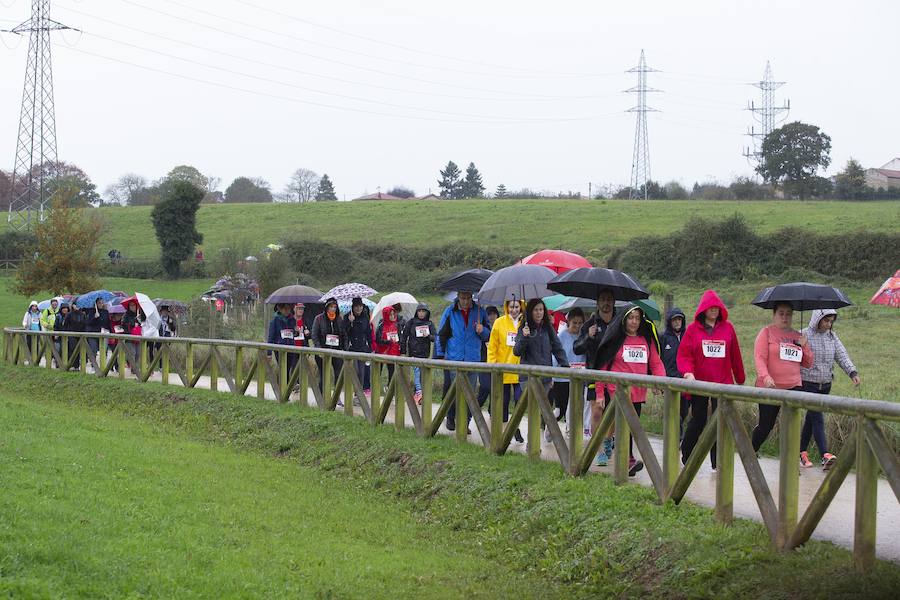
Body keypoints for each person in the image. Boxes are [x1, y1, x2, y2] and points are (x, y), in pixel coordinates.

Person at [592, 304, 665, 475]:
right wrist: (599, 393)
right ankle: (628, 460)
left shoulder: (646, 340)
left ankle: (615, 448)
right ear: (624, 320)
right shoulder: (615, 340)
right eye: (631, 318)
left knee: (633, 426)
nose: (634, 321)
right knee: (625, 424)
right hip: (616, 391)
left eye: (637, 318)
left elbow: (655, 363)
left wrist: (659, 382)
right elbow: (602, 367)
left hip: (638, 393)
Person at [677, 291, 745, 469]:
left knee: (720, 422)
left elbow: (735, 354)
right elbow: (684, 355)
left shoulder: (728, 328)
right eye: (710, 307)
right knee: (698, 421)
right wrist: (688, 373)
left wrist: (740, 377)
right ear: (703, 309)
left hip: (722, 383)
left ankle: (717, 463)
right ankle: (687, 454)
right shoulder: (692, 329)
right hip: (700, 383)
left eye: (717, 307)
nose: (714, 310)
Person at [799, 309, 859, 469]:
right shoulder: (803, 334)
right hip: (808, 383)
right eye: (826, 321)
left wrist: (852, 372)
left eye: (831, 321)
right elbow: (793, 358)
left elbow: (842, 355)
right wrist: (800, 344)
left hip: (825, 384)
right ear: (817, 319)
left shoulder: (832, 336)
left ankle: (802, 453)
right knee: (817, 417)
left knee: (811, 420)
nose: (829, 324)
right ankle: (825, 454)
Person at [752, 302, 814, 452]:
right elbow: (759, 358)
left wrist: (804, 345)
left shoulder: (797, 336)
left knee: (792, 427)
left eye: (788, 314)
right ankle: (750, 451)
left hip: (794, 386)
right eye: (781, 313)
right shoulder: (766, 333)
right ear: (774, 315)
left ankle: (791, 465)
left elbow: (808, 363)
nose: (785, 317)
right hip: (770, 387)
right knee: (766, 426)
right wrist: (765, 376)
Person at [514, 298, 570, 449]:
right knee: (534, 407)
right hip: (528, 377)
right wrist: (524, 337)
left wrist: (565, 364)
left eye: (541, 310)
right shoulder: (523, 328)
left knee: (543, 408)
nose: (539, 313)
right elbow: (517, 351)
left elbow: (557, 346)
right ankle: (532, 444)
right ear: (530, 312)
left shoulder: (547, 328)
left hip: (545, 377)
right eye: (535, 310)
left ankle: (540, 438)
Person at [436, 291, 491, 431]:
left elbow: (489, 335)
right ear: (458, 297)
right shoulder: (450, 311)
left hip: (472, 359)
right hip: (455, 358)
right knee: (455, 392)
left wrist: (482, 330)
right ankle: (450, 417)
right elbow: (441, 334)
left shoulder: (480, 312)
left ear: (471, 297)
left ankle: (464, 423)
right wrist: (441, 355)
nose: (465, 301)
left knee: (470, 394)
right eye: (462, 298)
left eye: (468, 298)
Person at [573, 289, 617, 462]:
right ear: (597, 303)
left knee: (612, 412)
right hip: (594, 373)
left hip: (615, 374)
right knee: (597, 411)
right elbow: (577, 348)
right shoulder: (589, 324)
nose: (606, 303)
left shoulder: (619, 323)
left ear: (613, 302)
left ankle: (607, 440)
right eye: (602, 300)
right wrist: (588, 337)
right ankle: (597, 448)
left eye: (609, 300)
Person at [487, 299, 525, 444]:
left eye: (517, 307)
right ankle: (503, 433)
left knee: (519, 400)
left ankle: (514, 428)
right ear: (507, 307)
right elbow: (492, 346)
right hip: (502, 369)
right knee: (502, 403)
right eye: (511, 307)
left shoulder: (525, 324)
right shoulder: (499, 323)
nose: (514, 310)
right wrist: (492, 365)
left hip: (520, 369)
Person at [555, 308, 588, 438]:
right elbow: (556, 354)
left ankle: (570, 428)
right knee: (560, 409)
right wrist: (553, 375)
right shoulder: (561, 336)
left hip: (578, 377)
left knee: (574, 404)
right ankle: (549, 425)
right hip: (562, 377)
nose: (577, 326)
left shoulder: (583, 336)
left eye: (580, 323)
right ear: (568, 321)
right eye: (575, 323)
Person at [659, 307, 690, 437]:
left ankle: (677, 433)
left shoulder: (688, 336)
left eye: (679, 319)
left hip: (685, 380)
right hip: (669, 381)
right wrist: (660, 379)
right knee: (673, 412)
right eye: (674, 320)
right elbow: (658, 359)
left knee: (684, 411)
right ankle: (675, 438)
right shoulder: (663, 338)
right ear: (669, 322)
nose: (677, 322)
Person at [400, 303, 436, 403]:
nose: (421, 313)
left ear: (426, 312)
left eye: (423, 311)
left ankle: (419, 394)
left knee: (422, 375)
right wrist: (403, 351)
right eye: (419, 311)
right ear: (416, 312)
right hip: (413, 353)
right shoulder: (411, 322)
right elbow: (404, 336)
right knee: (416, 373)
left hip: (424, 353)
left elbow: (435, 338)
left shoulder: (429, 324)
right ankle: (419, 392)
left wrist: (428, 335)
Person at [311, 297, 345, 390]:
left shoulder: (339, 319)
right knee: (324, 375)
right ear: (326, 307)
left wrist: (344, 348)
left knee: (338, 375)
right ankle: (322, 397)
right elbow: (314, 335)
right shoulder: (318, 319)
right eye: (331, 307)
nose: (333, 309)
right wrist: (319, 349)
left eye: (334, 307)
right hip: (323, 351)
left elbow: (343, 334)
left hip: (336, 351)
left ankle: (336, 398)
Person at [343, 298, 373, 396]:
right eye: (356, 306)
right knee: (355, 371)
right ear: (353, 307)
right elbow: (344, 332)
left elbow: (368, 333)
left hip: (363, 348)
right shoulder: (347, 317)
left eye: (360, 306)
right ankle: (351, 392)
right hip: (352, 348)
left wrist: (371, 348)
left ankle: (358, 395)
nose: (358, 308)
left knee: (362, 372)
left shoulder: (365, 317)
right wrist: (350, 323)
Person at [267, 302, 298, 381]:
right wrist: (269, 353)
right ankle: (282, 387)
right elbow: (271, 337)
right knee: (282, 368)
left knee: (288, 369)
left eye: (289, 309)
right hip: (279, 349)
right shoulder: (275, 321)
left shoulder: (293, 320)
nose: (287, 311)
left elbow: (295, 335)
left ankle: (285, 387)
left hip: (291, 347)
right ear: (280, 309)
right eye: (285, 309)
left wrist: (296, 331)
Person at [374, 306, 402, 381]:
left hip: (393, 352)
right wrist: (388, 342)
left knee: (392, 372)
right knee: (378, 372)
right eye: (390, 315)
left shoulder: (397, 325)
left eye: (393, 314)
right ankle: (375, 388)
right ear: (386, 315)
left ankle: (390, 389)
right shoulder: (381, 326)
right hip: (382, 352)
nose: (393, 316)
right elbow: (378, 340)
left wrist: (400, 347)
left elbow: (400, 338)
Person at [86, 298, 111, 364]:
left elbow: (108, 323)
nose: (101, 304)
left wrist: (110, 331)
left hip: (103, 333)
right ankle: (93, 365)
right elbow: (88, 323)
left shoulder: (105, 312)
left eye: (102, 303)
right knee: (93, 349)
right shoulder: (91, 311)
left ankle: (102, 365)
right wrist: (94, 318)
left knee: (104, 350)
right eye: (99, 303)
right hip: (93, 333)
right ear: (96, 304)